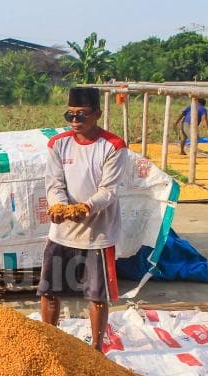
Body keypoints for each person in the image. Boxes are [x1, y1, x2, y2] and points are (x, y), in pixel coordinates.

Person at [37, 87, 127, 351]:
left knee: (97, 296)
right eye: (71, 115)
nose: (75, 121)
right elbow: (53, 183)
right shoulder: (58, 144)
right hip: (62, 232)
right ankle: (49, 343)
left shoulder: (113, 146)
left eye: (81, 115)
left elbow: (108, 190)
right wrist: (60, 207)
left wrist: (85, 208)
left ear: (97, 114)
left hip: (97, 233)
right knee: (49, 290)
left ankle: (97, 348)